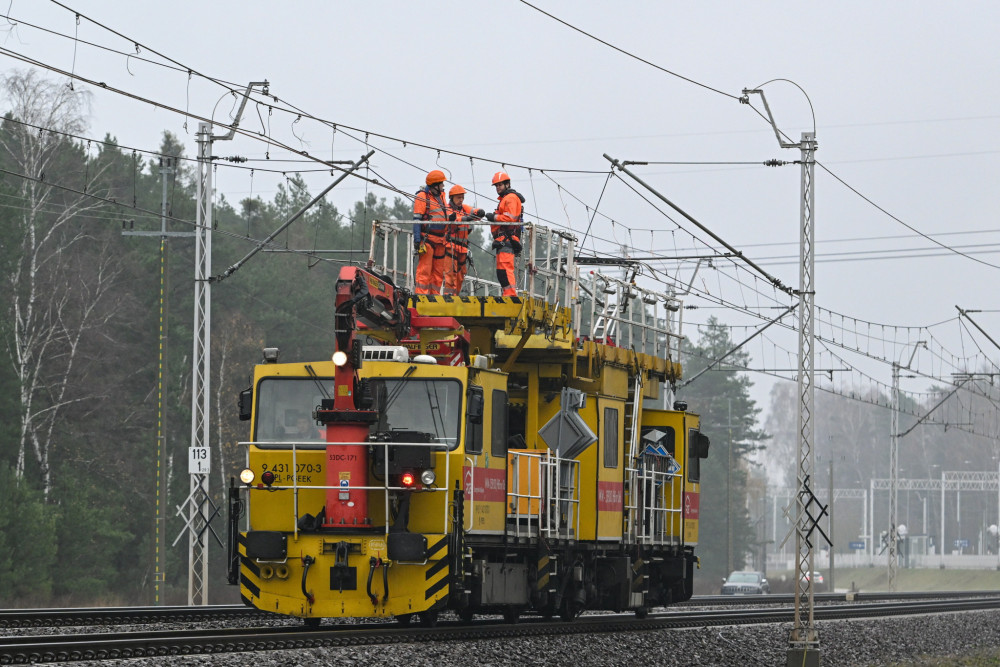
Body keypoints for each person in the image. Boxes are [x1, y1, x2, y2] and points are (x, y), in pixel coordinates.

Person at [484, 171, 524, 297]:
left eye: (500, 185)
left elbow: (510, 218)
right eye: (496, 186)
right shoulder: (505, 199)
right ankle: (507, 293)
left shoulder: (510, 198)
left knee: (505, 269)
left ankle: (510, 295)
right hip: (503, 240)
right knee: (501, 271)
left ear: (507, 184)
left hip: (508, 238)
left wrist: (494, 217)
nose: (498, 188)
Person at [412, 170, 450, 294]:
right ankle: (421, 298)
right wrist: (417, 240)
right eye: (441, 184)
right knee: (425, 271)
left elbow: (444, 214)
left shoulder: (441, 196)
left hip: (440, 241)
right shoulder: (422, 197)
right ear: (435, 185)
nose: (443, 186)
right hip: (427, 240)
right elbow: (417, 219)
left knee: (438, 273)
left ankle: (435, 299)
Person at [443, 184, 485, 296]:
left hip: (462, 248)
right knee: (450, 275)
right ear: (452, 198)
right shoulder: (447, 209)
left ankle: (455, 297)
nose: (461, 200)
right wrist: (466, 218)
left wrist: (479, 212)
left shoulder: (464, 208)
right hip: (450, 246)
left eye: (462, 197)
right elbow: (453, 219)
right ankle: (448, 298)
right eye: (458, 198)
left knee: (461, 275)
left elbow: (473, 212)